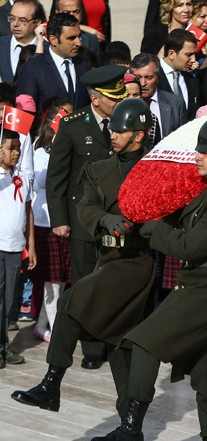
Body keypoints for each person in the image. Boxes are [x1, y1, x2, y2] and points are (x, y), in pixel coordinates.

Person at [89, 114, 207, 441]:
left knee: (145, 340)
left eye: (205, 151)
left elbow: (189, 245)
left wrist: (154, 227)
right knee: (206, 378)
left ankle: (132, 427)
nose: (197, 156)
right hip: (200, 283)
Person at [11, 98, 159, 420]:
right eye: (113, 129)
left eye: (121, 130)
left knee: (69, 302)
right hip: (106, 258)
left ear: (139, 135)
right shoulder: (100, 167)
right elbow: (86, 205)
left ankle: (52, 384)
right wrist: (105, 220)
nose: (114, 135)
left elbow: (167, 214)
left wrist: (146, 226)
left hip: (137, 262)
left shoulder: (155, 172)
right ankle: (130, 423)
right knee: (119, 342)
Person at [45, 65, 128, 370]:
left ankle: (111, 339)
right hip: (81, 219)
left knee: (113, 281)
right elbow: (56, 177)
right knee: (85, 281)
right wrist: (59, 219)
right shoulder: (72, 125)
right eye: (112, 97)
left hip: (116, 217)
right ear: (96, 99)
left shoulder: (124, 122)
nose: (119, 101)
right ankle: (92, 346)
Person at [30, 102, 74, 342]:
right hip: (45, 222)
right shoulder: (39, 151)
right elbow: (40, 182)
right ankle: (58, 333)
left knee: (62, 280)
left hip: (62, 221)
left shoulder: (67, 150)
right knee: (53, 282)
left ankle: (42, 326)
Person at [0, 129, 35, 369]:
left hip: (15, 249)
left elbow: (28, 211)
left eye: (18, 148)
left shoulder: (21, 178)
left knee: (8, 300)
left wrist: (31, 246)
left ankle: (4, 346)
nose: (16, 153)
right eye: (10, 148)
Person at [15, 12, 91, 112]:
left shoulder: (84, 65)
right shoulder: (32, 69)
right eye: (71, 38)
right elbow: (25, 114)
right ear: (53, 40)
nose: (78, 43)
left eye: (78, 37)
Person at [130, 52, 186, 143]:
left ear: (158, 77)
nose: (142, 83)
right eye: (138, 77)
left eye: (148, 77)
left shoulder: (175, 103)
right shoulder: (124, 102)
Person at [157, 29, 201, 118]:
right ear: (171, 54)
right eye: (189, 55)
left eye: (194, 54)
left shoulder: (193, 81)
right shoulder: (151, 77)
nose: (193, 60)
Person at [0, 0, 47, 84]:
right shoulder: (1, 46)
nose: (15, 24)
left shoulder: (49, 49)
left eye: (22, 20)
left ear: (37, 22)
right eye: (12, 18)